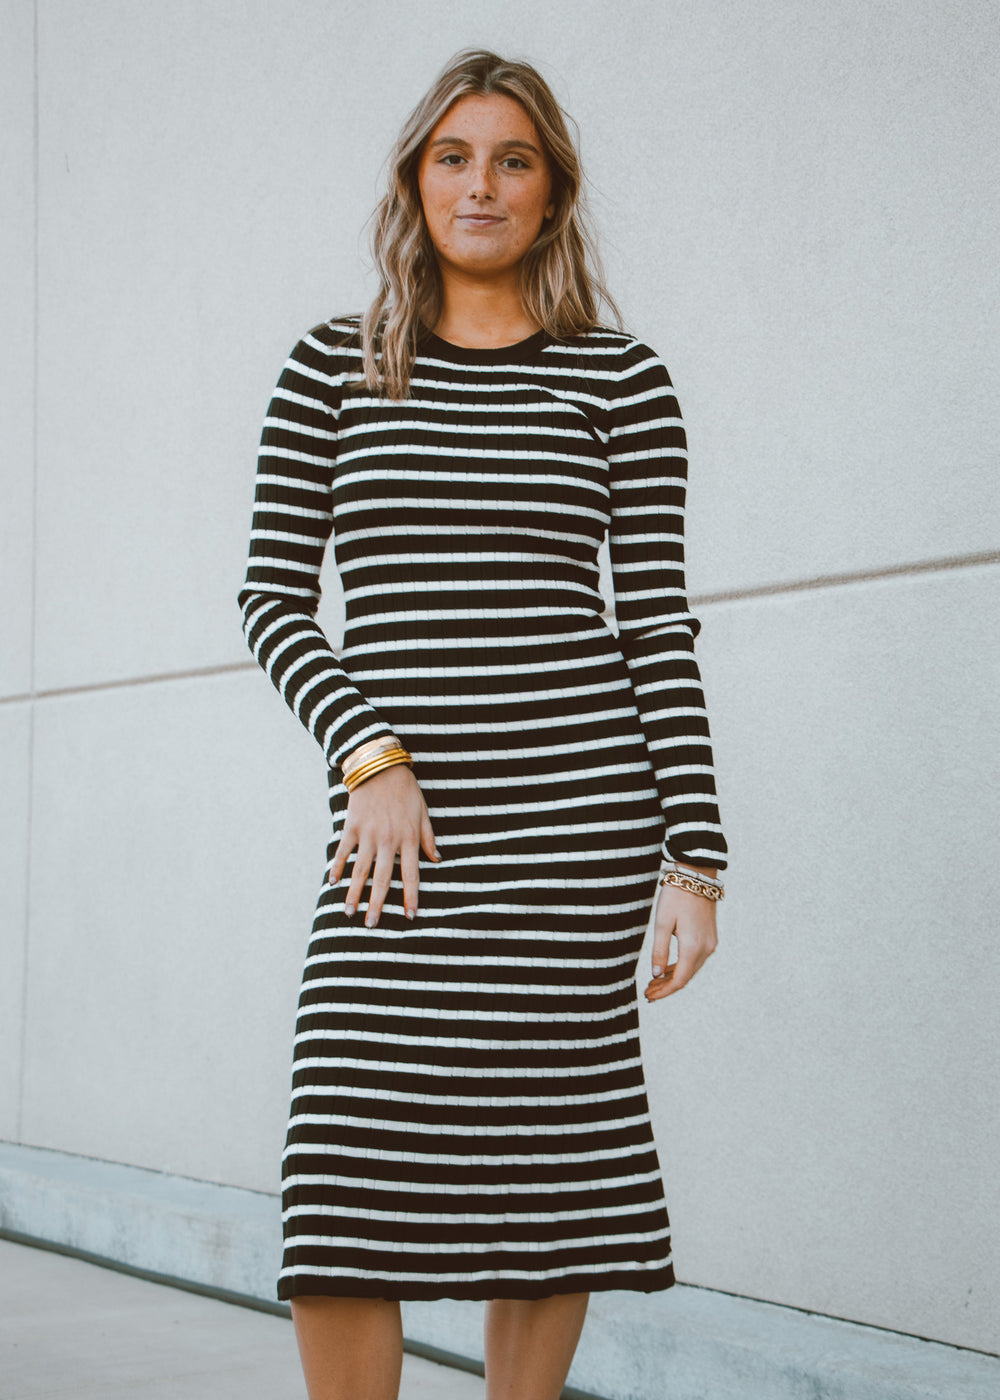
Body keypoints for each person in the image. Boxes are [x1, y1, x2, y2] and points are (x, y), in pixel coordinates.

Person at [239, 47, 727, 1400]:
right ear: (415, 178)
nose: (482, 183)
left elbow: (657, 629)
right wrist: (368, 755)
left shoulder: (621, 384)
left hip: (576, 837)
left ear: (552, 193)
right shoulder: (334, 369)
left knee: (550, 1185)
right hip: (400, 840)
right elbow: (273, 598)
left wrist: (694, 861)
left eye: (514, 159)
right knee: (342, 1185)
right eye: (454, 154)